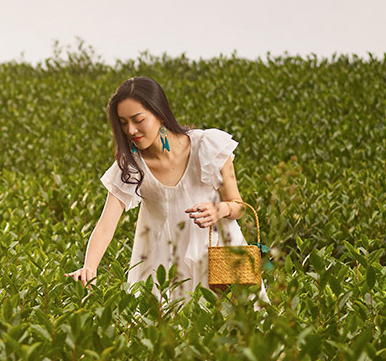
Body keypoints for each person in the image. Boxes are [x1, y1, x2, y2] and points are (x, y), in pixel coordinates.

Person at [68, 75, 252, 300]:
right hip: (165, 266)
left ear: (159, 113)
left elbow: (239, 206)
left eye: (138, 120)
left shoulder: (208, 146)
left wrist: (220, 209)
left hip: (220, 255)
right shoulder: (131, 167)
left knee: (237, 318)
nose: (131, 130)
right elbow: (106, 224)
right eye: (123, 123)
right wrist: (89, 267)